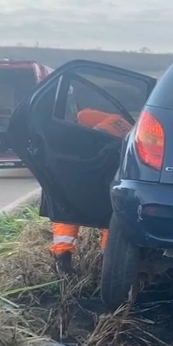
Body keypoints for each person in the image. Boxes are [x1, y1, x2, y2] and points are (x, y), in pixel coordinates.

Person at [47, 106, 134, 275]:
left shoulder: (86, 116)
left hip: (87, 173)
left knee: (67, 212)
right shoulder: (129, 130)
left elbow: (88, 133)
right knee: (111, 216)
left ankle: (62, 258)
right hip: (109, 177)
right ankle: (107, 261)